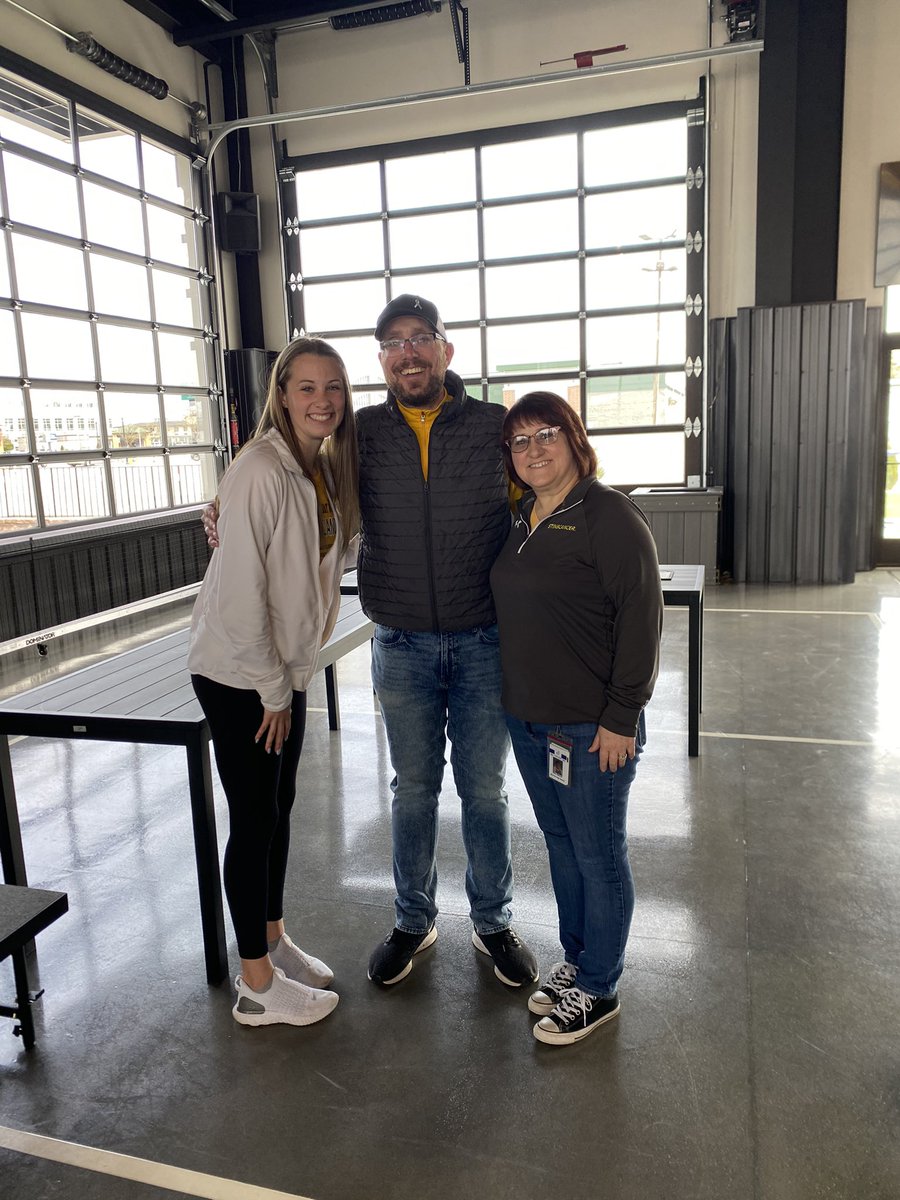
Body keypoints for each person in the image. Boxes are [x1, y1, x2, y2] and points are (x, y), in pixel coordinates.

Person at [360, 295, 538, 989]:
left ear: (445, 350)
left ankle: (493, 922)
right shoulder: (364, 432)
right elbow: (297, 468)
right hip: (400, 643)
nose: (408, 352)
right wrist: (228, 502)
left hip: (482, 641)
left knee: (485, 792)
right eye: (394, 343)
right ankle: (414, 917)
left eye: (420, 338)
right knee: (412, 792)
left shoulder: (494, 426)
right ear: (382, 360)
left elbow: (549, 484)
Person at [189, 336, 358, 1028]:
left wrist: (289, 676)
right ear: (281, 394)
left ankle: (273, 938)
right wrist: (272, 690)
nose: (322, 401)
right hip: (241, 674)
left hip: (284, 667)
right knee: (254, 819)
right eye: (308, 387)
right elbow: (240, 595)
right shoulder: (260, 469)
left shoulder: (320, 469)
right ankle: (256, 983)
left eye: (334, 388)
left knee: (277, 811)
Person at [489, 392, 663, 1046]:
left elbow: (641, 619)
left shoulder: (607, 515)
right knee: (563, 847)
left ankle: (601, 987)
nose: (534, 450)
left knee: (597, 853)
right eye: (521, 440)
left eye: (546, 435)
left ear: (573, 439)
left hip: (593, 727)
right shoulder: (522, 518)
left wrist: (622, 717)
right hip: (531, 721)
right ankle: (578, 958)